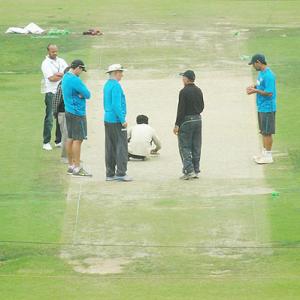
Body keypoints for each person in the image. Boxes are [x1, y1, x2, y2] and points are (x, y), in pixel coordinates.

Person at [62, 59, 92, 177]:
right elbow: (88, 94)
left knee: (70, 138)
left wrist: (80, 95)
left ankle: (71, 166)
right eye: (81, 70)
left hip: (69, 111)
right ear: (78, 68)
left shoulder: (65, 77)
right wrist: (81, 95)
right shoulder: (75, 79)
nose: (81, 72)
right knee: (78, 140)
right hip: (77, 113)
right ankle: (77, 168)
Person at [103, 64, 132, 182]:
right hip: (116, 120)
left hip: (108, 119)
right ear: (115, 73)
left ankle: (110, 173)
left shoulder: (107, 85)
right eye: (120, 72)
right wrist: (122, 120)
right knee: (121, 146)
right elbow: (116, 105)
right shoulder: (115, 86)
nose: (122, 75)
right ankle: (121, 172)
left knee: (110, 146)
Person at [173, 70, 204, 180]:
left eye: (183, 77)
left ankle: (188, 170)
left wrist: (177, 124)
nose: (182, 79)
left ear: (186, 79)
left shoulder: (183, 92)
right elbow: (202, 107)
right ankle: (196, 169)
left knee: (185, 146)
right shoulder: (199, 90)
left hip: (186, 121)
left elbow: (181, 110)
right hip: (198, 120)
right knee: (196, 146)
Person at [247, 54, 276, 164]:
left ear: (258, 62)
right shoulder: (261, 74)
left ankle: (268, 156)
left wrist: (255, 91)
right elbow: (260, 85)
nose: (253, 66)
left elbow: (269, 92)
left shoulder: (269, 75)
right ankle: (264, 154)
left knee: (267, 132)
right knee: (263, 132)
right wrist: (253, 87)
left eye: (254, 64)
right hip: (262, 107)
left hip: (268, 108)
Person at [41, 44, 68, 150]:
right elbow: (51, 78)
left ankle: (58, 140)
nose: (55, 53)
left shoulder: (61, 61)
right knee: (49, 117)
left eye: (56, 51)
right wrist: (62, 75)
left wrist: (60, 74)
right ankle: (46, 142)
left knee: (60, 116)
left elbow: (68, 73)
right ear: (48, 51)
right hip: (51, 92)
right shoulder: (45, 63)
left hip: (62, 92)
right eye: (53, 51)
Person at [52, 66, 71, 163]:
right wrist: (55, 113)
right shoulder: (63, 84)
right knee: (66, 135)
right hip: (63, 113)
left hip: (70, 113)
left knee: (71, 136)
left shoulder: (71, 83)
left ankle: (71, 156)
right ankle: (64, 157)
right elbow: (56, 100)